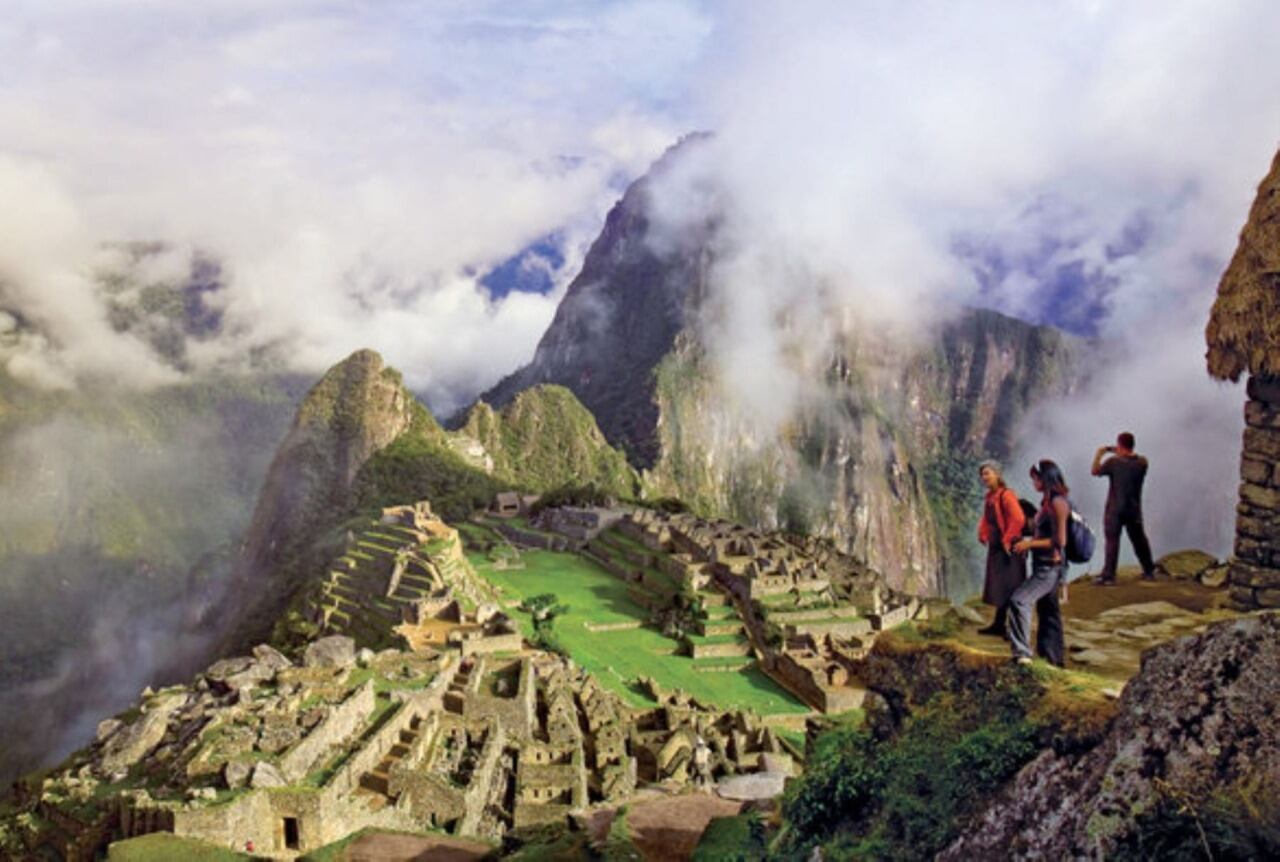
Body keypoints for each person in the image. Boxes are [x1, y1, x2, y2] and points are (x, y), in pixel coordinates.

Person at [1009, 460, 1069, 667]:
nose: (1033, 481)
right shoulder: (1047, 503)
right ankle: (1052, 660)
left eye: (1035, 477)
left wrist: (1030, 544)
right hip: (1045, 564)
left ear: (1044, 478)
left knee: (1019, 601)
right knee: (1049, 614)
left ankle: (1022, 653)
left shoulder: (1058, 503)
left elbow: (1060, 540)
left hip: (1049, 567)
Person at [1091, 431, 1156, 584]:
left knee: (1112, 541)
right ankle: (1149, 571)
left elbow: (1094, 471)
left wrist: (1100, 453)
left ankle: (1109, 576)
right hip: (1133, 509)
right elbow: (1130, 458)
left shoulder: (1113, 462)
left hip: (1115, 509)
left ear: (1119, 445)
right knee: (1139, 540)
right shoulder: (1142, 463)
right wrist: (1120, 450)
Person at [975, 461, 1026, 637]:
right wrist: (982, 533)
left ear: (997, 474)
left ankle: (1012, 628)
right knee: (1000, 587)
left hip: (1009, 549)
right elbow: (987, 519)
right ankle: (999, 624)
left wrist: (1007, 539)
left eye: (987, 473)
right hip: (997, 548)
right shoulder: (991, 497)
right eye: (982, 474)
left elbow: (1018, 519)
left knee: (1011, 587)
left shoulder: (1006, 495)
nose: (984, 477)